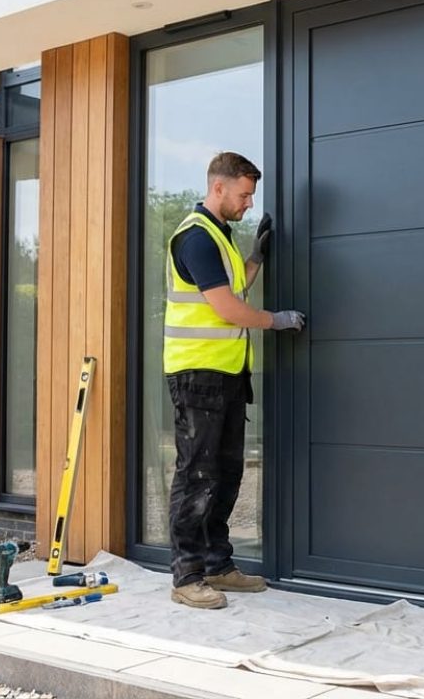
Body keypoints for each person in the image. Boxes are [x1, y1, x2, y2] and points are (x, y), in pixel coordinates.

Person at [164, 151, 305, 610]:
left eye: (251, 196)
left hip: (225, 375)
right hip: (197, 375)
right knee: (197, 475)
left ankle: (218, 565)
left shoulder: (220, 237)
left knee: (225, 474)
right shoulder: (196, 237)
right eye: (244, 195)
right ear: (218, 188)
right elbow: (226, 309)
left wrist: (255, 259)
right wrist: (275, 320)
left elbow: (231, 289)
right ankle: (187, 576)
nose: (248, 204)